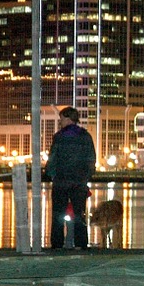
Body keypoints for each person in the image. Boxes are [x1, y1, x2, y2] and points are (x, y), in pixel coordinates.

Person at [44, 106, 96, 249]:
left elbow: (52, 159)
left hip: (61, 181)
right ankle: (81, 243)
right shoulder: (85, 136)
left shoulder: (59, 137)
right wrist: (86, 177)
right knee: (79, 213)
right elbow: (91, 159)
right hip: (79, 182)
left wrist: (51, 174)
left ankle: (57, 243)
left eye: (61, 119)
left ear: (67, 118)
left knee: (58, 214)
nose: (60, 122)